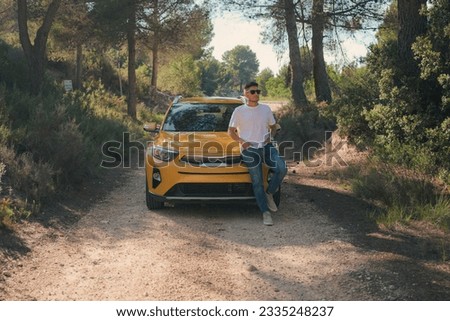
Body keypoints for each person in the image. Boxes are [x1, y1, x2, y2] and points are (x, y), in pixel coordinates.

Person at [228, 81, 287, 226]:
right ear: (245, 94)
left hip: (266, 146)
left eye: (258, 91)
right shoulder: (239, 111)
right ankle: (265, 213)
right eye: (253, 92)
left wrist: (270, 136)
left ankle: (269, 193)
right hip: (249, 149)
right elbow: (230, 131)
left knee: (282, 168)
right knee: (257, 181)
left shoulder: (266, 109)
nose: (256, 94)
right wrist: (242, 142)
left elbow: (273, 127)